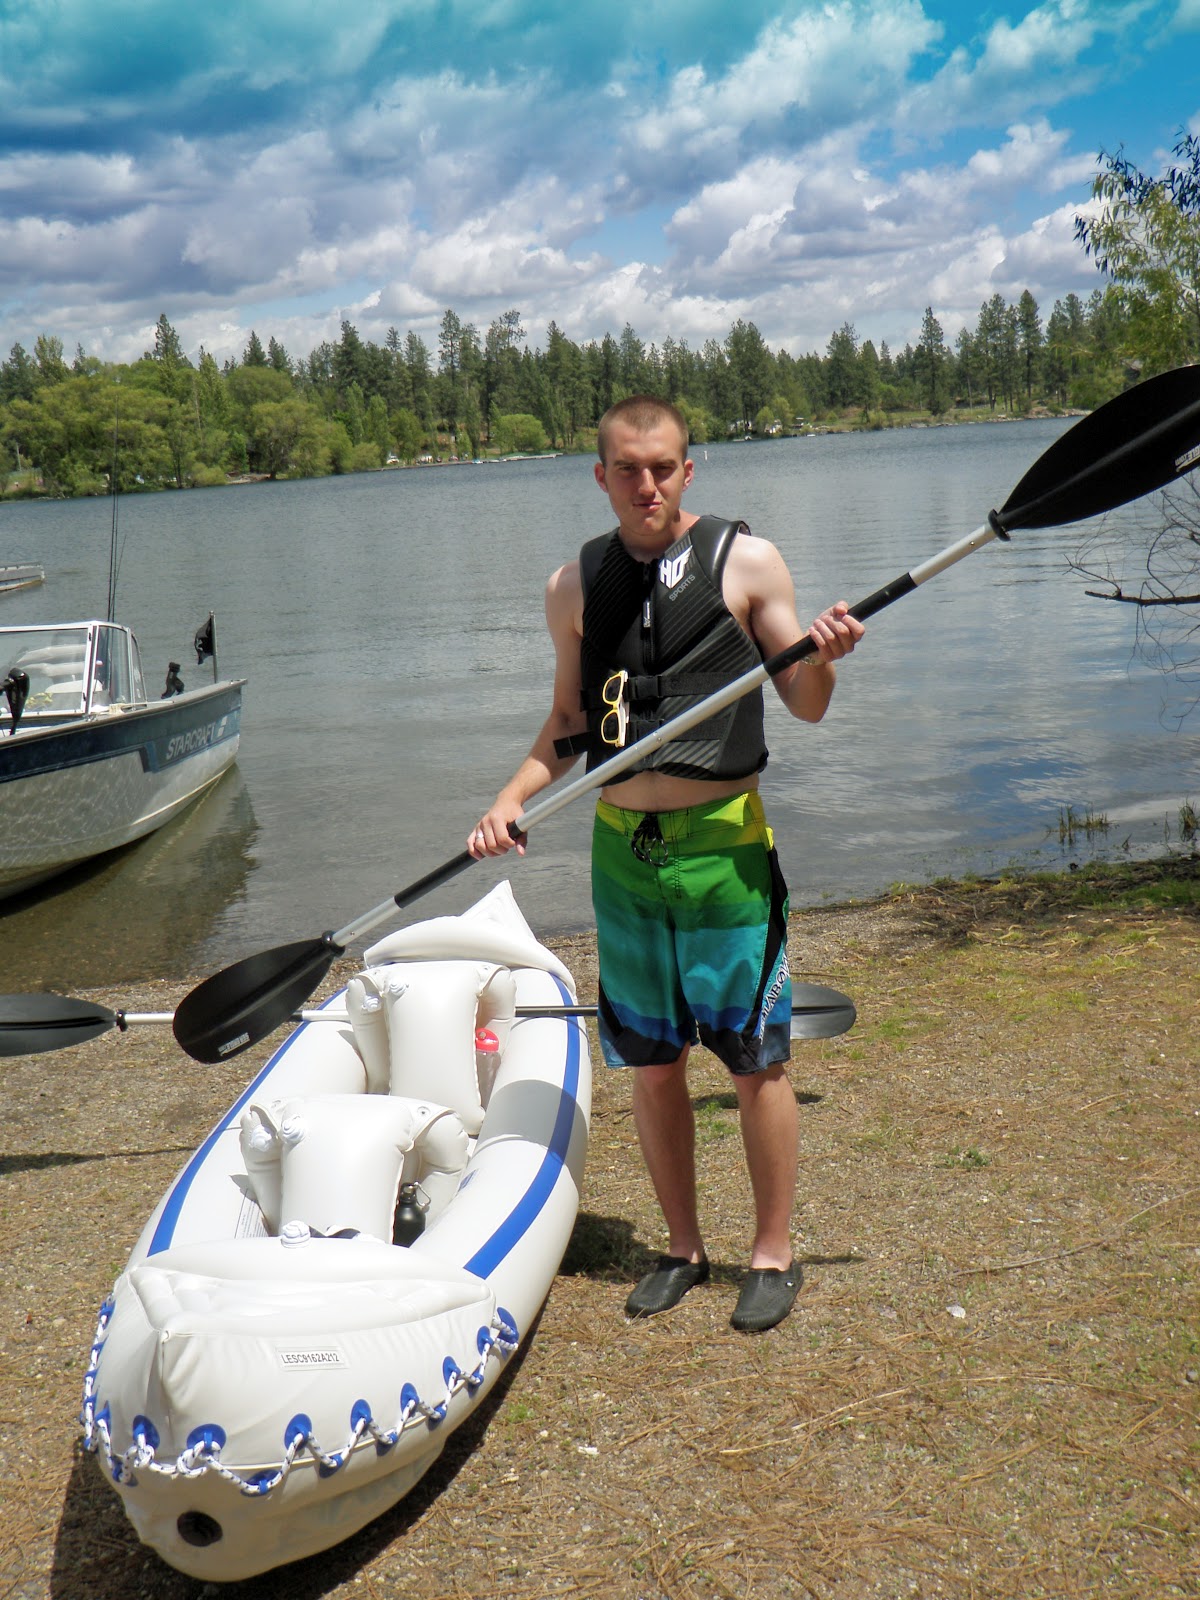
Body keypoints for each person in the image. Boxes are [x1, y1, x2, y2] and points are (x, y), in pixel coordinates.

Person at [469, 396, 864, 1332]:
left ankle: (771, 1253)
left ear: (688, 470)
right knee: (651, 1064)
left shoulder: (748, 563)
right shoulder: (574, 586)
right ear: (600, 476)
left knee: (755, 1061)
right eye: (627, 469)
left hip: (724, 844)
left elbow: (806, 702)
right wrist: (510, 796)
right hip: (622, 851)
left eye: (662, 468)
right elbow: (569, 725)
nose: (646, 485)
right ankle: (682, 1247)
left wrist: (825, 656)